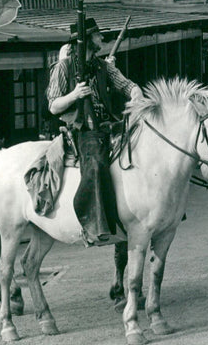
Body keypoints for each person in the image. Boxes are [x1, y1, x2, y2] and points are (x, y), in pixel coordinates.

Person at [46, 17, 143, 245]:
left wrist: (136, 93)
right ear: (87, 40)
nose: (102, 38)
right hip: (83, 129)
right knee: (97, 164)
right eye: (98, 35)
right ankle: (94, 226)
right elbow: (53, 106)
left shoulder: (103, 66)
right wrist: (75, 95)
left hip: (109, 125)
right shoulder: (64, 67)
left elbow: (126, 85)